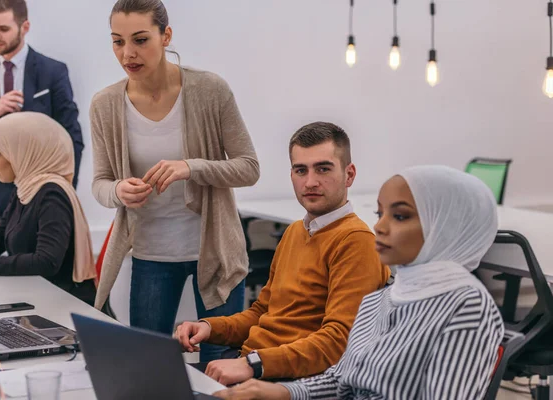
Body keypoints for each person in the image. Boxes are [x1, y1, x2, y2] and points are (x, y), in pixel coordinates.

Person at [213, 165, 505, 400]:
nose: (379, 225)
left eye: (400, 216)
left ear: (446, 227)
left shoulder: (466, 305)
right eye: (381, 213)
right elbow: (341, 380)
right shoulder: (381, 298)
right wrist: (280, 392)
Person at [90, 0, 260, 362]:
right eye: (117, 41)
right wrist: (119, 190)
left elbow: (249, 167)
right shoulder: (105, 105)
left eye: (140, 39)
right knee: (149, 367)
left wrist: (192, 167)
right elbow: (100, 183)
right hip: (151, 254)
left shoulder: (210, 90)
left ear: (166, 36)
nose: (127, 53)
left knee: (221, 366)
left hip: (215, 254)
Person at [175, 122, 391, 385]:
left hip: (285, 380)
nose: (310, 182)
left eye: (323, 169)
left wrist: (252, 365)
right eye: (301, 170)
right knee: (147, 382)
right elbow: (261, 313)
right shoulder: (294, 233)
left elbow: (339, 342)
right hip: (252, 364)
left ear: (349, 174)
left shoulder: (356, 241)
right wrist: (209, 327)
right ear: (292, 175)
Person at [0, 0, 84, 232]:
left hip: (42, 192)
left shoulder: (53, 71)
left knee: (38, 265)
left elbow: (73, 138)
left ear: (25, 27)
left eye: (3, 29)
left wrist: (63, 193)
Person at [0, 112, 96, 306]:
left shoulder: (52, 195)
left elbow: (46, 261)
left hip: (64, 309)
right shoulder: (24, 190)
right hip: (38, 299)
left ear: (21, 151)